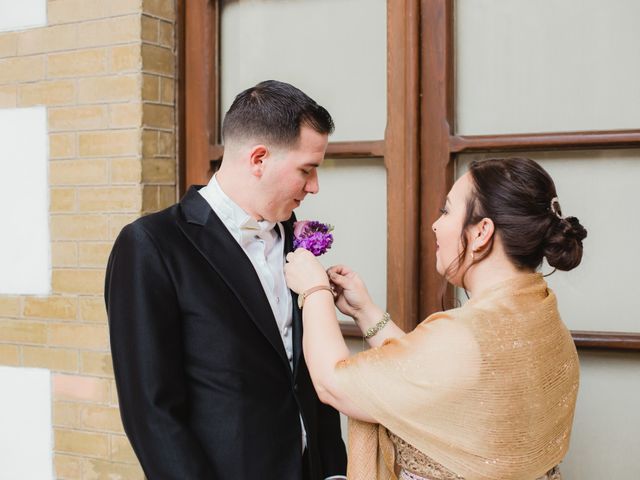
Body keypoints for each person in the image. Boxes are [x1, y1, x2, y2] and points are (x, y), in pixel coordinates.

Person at [285, 157, 587, 480]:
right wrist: (364, 311)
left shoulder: (467, 336)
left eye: (446, 211)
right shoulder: (546, 324)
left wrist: (314, 289)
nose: (435, 224)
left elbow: (334, 384)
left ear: (482, 232)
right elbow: (432, 376)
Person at [105, 80, 347, 480]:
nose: (314, 186)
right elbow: (151, 412)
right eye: (307, 170)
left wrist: (333, 471)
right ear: (258, 159)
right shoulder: (152, 245)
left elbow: (304, 371)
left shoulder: (292, 238)